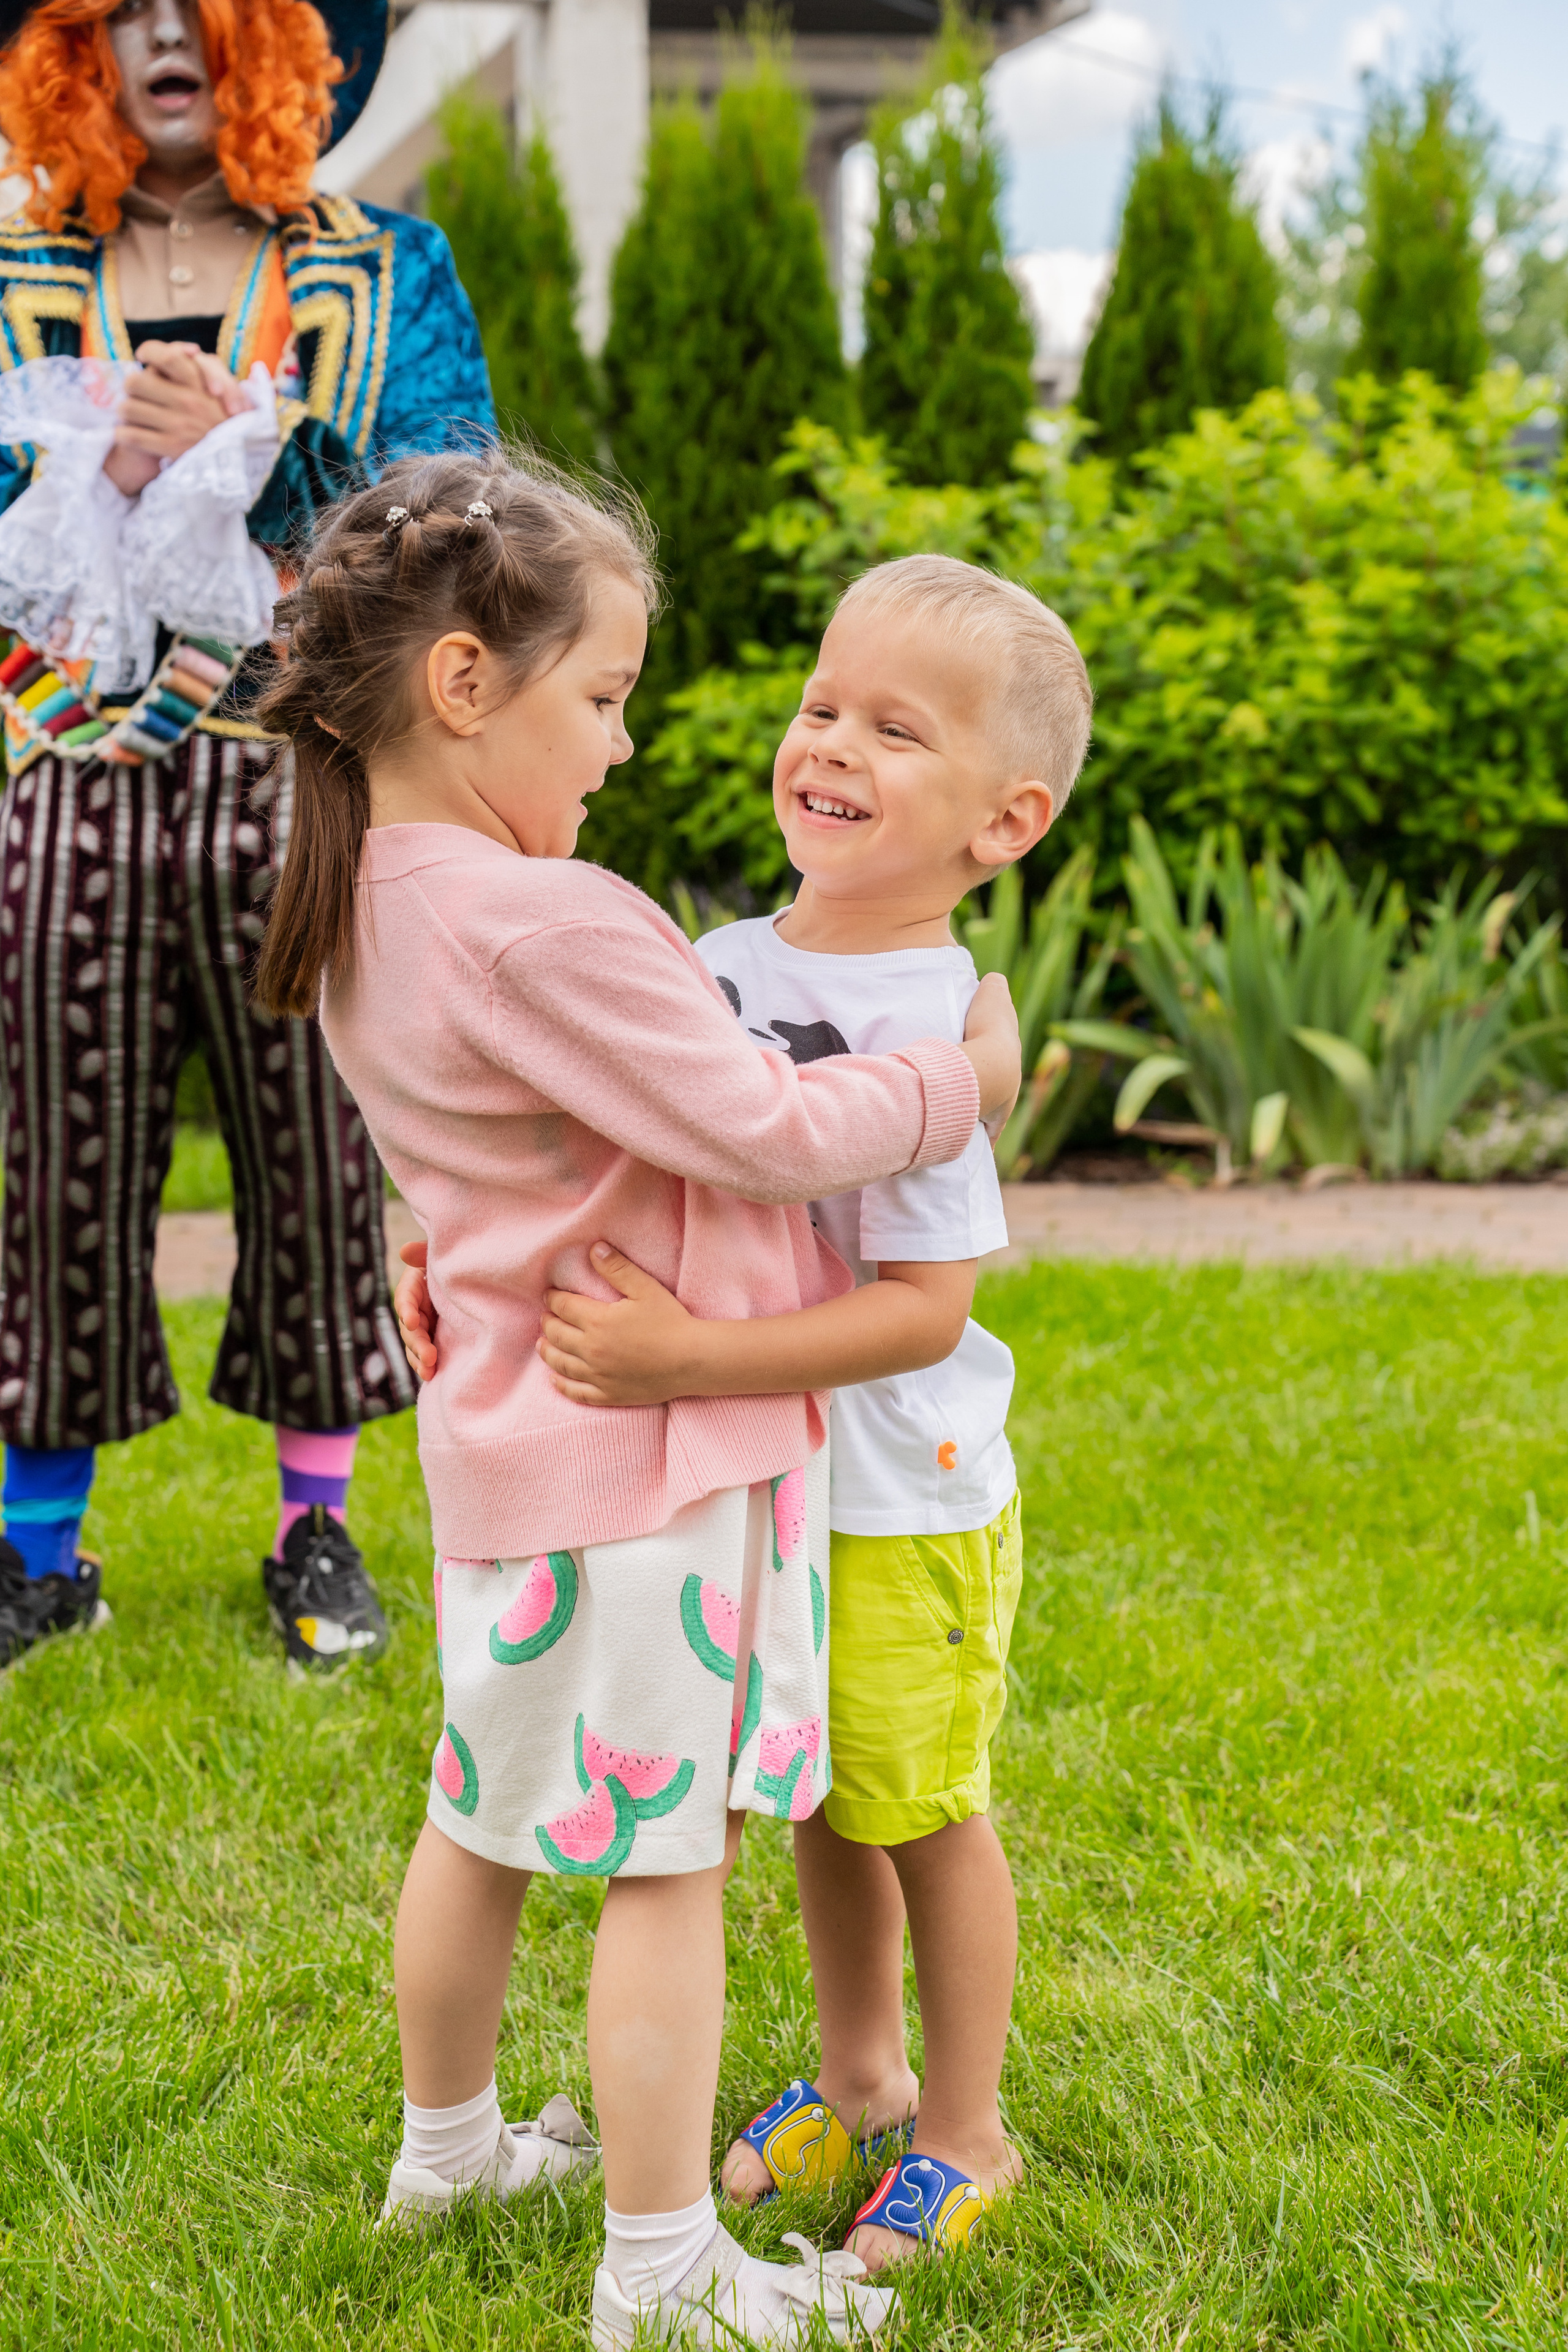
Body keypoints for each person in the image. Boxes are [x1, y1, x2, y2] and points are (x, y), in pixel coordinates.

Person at [249, 451, 1022, 2346]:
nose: (616, 747)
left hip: (509, 1451)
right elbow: (762, 1125)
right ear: (463, 687)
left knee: (487, 1815)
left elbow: (473, 1160)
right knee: (664, 1862)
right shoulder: (544, 913)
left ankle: (446, 2148)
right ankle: (666, 2274)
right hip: (648, 1468)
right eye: (601, 697)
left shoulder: (366, 897)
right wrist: (968, 1076)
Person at [461, 554, 1093, 2271]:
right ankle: (860, 2074)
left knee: (919, 1807)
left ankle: (965, 2134)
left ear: (1004, 819)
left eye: (899, 730)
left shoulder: (936, 1033)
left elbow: (923, 1312)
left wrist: (682, 1365)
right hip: (762, 1490)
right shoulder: (713, 958)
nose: (833, 741)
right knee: (813, 1794)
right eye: (825, 705)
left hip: (900, 1489)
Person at [0, 0, 493, 1672]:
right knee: (51, 1157)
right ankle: (36, 1552)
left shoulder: (386, 264)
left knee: (317, 1147)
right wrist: (95, 480)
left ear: (271, 39)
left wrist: (250, 458)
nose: (162, 34)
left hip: (298, 764)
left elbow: (460, 508)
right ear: (70, 53)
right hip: (58, 772)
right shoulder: (9, 270)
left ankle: (317, 1526)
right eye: (115, 9)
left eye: (202, 5)